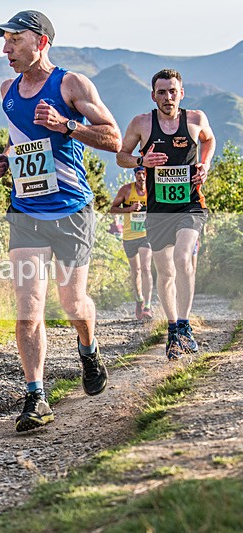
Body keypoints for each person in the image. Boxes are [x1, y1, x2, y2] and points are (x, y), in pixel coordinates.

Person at [0, 10, 122, 432]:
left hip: (71, 210)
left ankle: (89, 348)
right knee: (28, 306)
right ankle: (35, 396)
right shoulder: (8, 89)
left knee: (72, 305)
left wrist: (67, 125)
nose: (5, 49)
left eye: (13, 40)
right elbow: (22, 143)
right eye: (4, 41)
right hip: (26, 211)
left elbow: (114, 138)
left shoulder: (71, 84)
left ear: (40, 41)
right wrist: (5, 162)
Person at [116, 69, 215, 360]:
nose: (168, 97)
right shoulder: (141, 124)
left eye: (173, 91)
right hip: (158, 209)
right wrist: (140, 160)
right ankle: (173, 330)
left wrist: (205, 165)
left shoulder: (196, 119)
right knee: (165, 271)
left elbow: (209, 141)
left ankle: (185, 326)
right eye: (162, 92)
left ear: (181, 93)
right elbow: (121, 155)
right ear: (153, 96)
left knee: (183, 258)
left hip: (190, 205)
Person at [109, 166, 154, 320]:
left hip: (146, 235)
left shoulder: (152, 190)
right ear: (135, 175)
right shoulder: (126, 190)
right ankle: (139, 298)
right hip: (129, 236)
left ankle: (147, 306)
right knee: (135, 271)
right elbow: (112, 209)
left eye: (143, 173)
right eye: (138, 174)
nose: (141, 177)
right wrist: (129, 209)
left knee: (146, 268)